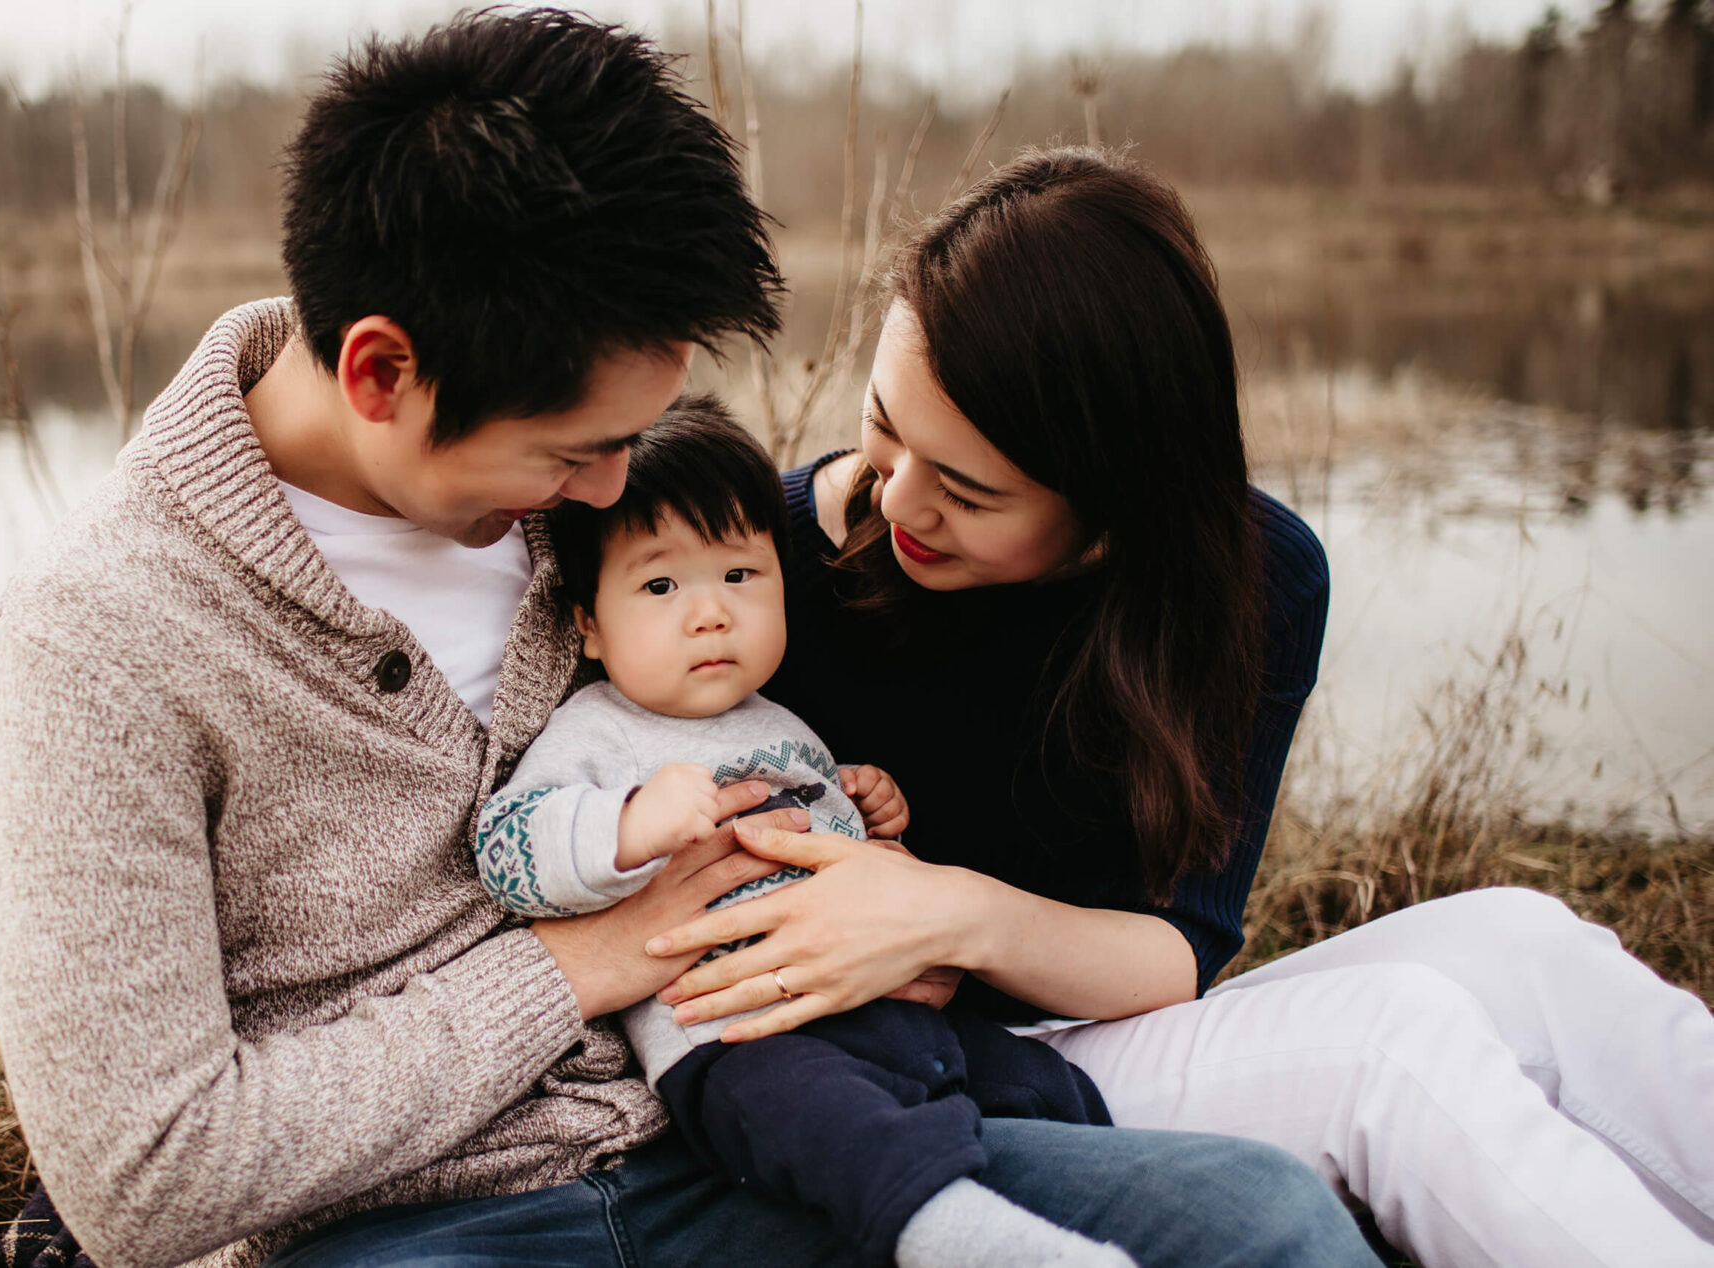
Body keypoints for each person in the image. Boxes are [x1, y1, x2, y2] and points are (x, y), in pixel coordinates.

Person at [0, 16, 1382, 1268]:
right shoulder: (107, 640)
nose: (611, 496)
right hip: (417, 1233)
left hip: (772, 1148)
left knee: (1262, 1226)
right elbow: (143, 1179)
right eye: (576, 452)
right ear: (383, 373)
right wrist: (592, 963)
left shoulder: (593, 512)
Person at [640, 145, 1714, 1268]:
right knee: (1391, 1053)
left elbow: (1180, 944)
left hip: (1106, 1012)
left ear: (1116, 492)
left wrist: (953, 910)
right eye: (885, 427)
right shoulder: (750, 580)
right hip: (913, 1069)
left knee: (1527, 943)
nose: (900, 498)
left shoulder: (1254, 579)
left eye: (968, 490)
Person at [475, 399, 1133, 1268]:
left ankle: (1092, 1204)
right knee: (829, 1126)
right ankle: (945, 1233)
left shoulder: (781, 721)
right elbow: (508, 851)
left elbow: (825, 839)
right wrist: (628, 828)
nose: (709, 614)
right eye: (661, 585)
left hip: (871, 1004)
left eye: (739, 576)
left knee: (1043, 1085)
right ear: (589, 624)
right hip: (738, 1039)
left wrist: (867, 809)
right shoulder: (597, 731)